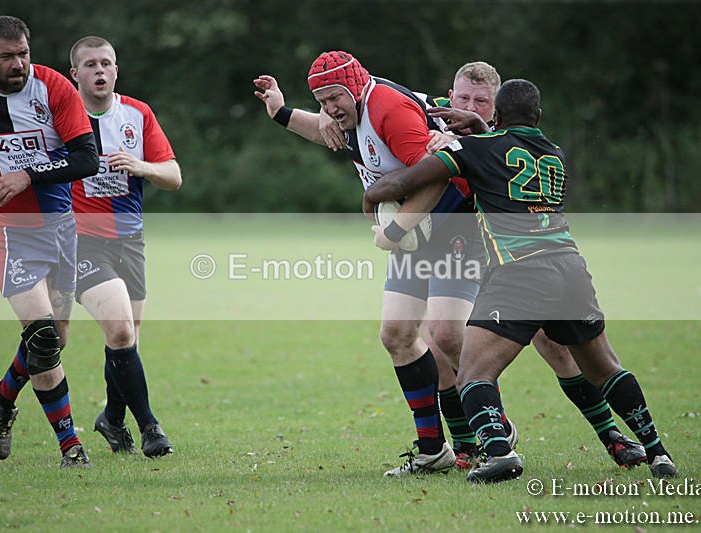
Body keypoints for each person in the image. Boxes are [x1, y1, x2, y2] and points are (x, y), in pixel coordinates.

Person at [363, 78, 679, 482]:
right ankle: (658, 452)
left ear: (495, 112)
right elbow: (505, 155)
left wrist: (371, 197)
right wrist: (483, 130)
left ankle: (499, 453)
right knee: (606, 368)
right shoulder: (555, 154)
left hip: (519, 272)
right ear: (539, 115)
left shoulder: (472, 149)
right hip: (570, 269)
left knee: (473, 374)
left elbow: (405, 183)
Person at [255, 51, 512, 476]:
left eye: (335, 98)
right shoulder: (347, 112)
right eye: (322, 101)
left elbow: (436, 174)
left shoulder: (389, 110)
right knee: (397, 334)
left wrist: (393, 230)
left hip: (454, 219)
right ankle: (433, 450)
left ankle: (496, 427)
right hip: (417, 229)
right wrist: (281, 112)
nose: (330, 108)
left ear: (355, 87)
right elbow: (326, 132)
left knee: (447, 334)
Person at [427, 62, 647, 470]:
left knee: (556, 345)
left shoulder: (502, 142)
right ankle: (472, 442)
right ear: (450, 96)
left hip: (516, 253)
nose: (469, 106)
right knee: (440, 333)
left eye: (480, 101)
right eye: (463, 98)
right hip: (457, 245)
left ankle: (611, 436)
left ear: (496, 109)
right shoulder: (432, 120)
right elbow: (386, 105)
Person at [0, 16, 99, 467]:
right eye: (7, 57)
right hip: (6, 230)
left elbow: (87, 158)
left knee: (56, 339)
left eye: (23, 54)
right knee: (41, 336)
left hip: (59, 225)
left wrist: (27, 174)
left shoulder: (54, 88)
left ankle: (2, 396)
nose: (18, 64)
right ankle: (71, 447)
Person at [68, 36, 181, 457]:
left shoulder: (137, 113)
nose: (100, 70)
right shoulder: (60, 118)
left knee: (126, 338)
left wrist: (142, 166)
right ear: (74, 74)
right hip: (80, 240)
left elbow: (174, 177)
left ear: (116, 70)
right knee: (119, 329)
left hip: (130, 240)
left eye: (106, 63)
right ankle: (150, 427)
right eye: (90, 64)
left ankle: (112, 419)